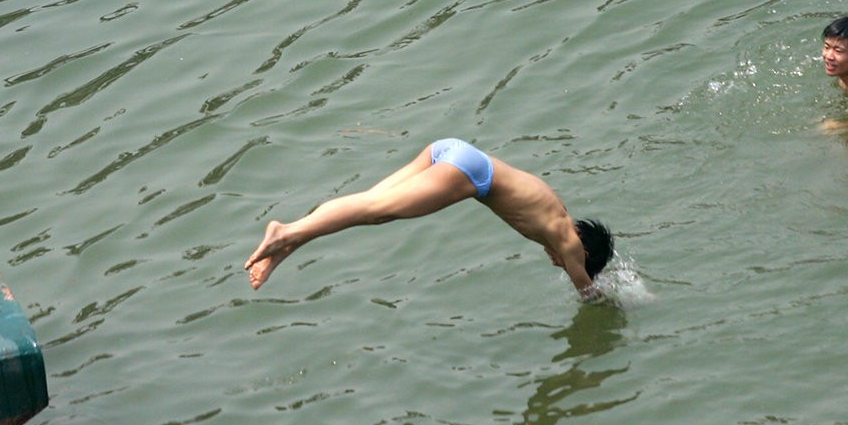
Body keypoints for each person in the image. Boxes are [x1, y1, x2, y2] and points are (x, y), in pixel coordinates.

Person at [246, 138, 614, 298]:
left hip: (453, 151)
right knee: (375, 211)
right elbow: (586, 291)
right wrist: (627, 303)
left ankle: (290, 241)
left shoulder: (558, 214)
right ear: (582, 249)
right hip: (470, 173)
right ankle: (286, 231)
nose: (558, 262)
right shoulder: (568, 241)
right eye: (565, 261)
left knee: (372, 205)